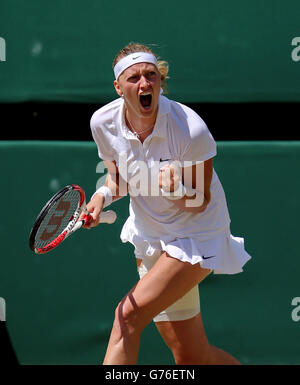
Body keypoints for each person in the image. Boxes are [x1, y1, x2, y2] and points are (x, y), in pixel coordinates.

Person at [80, 42, 251, 365]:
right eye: (134, 78)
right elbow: (119, 178)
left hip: (198, 236)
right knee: (193, 357)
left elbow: (201, 201)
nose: (144, 84)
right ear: (118, 87)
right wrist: (101, 197)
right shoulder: (103, 123)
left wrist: (174, 191)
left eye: (151, 75)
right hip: (151, 237)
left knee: (126, 318)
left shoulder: (191, 128)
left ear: (159, 81)